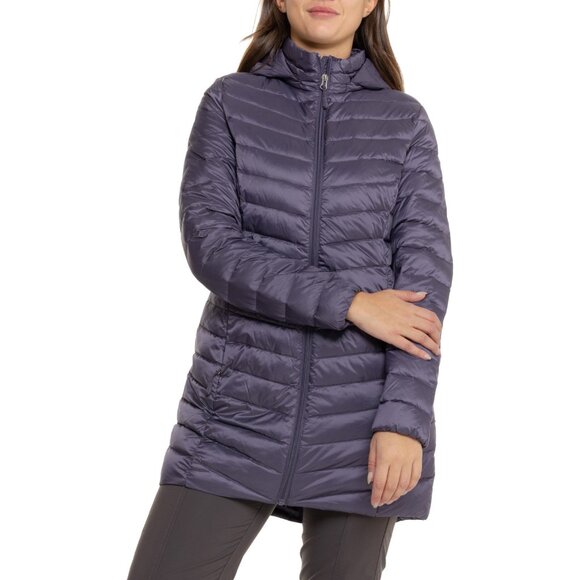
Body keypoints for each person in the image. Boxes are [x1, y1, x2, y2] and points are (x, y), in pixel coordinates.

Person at [127, 0, 453, 578]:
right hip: (235, 412)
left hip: (360, 421)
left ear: (370, 3)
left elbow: (423, 289)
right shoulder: (230, 103)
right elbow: (212, 246)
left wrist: (403, 421)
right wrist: (350, 303)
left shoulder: (404, 122)